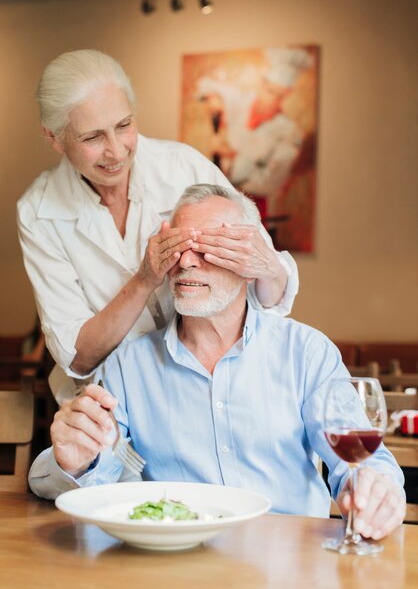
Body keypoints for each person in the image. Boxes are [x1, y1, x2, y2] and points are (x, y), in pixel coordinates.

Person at [29, 184, 405, 540]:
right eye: (177, 246)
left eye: (211, 246)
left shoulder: (305, 353)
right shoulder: (129, 366)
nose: (186, 261)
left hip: (289, 568)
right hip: (176, 567)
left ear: (249, 257)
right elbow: (99, 474)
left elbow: (363, 463)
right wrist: (75, 464)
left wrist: (376, 492)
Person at [17, 49, 298, 403]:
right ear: (54, 138)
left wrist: (268, 267)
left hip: (214, 386)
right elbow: (78, 356)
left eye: (124, 126)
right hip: (116, 402)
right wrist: (144, 279)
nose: (116, 151)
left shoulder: (183, 168)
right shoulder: (39, 211)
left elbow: (265, 290)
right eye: (92, 137)